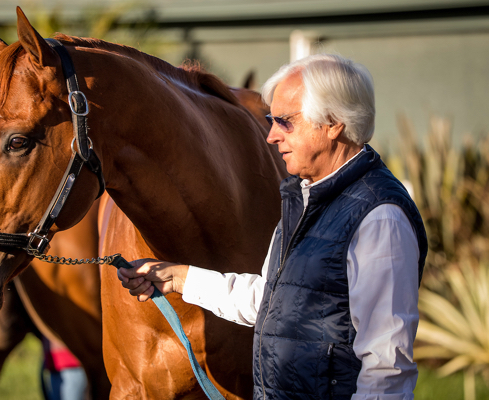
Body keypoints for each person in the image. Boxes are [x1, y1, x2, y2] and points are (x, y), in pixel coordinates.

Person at [118, 54, 428, 400]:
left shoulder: (379, 217)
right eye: (271, 120)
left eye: (285, 122)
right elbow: (272, 300)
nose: (271, 136)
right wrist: (179, 277)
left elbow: (386, 368)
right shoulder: (304, 197)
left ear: (334, 123)